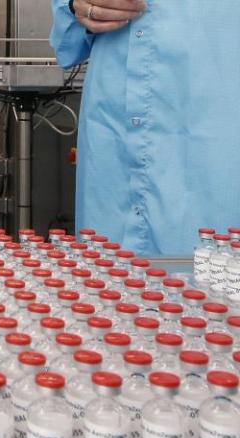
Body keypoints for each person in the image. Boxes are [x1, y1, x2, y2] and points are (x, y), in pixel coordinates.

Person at [51, 0, 240, 256]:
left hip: (212, 128)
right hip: (113, 130)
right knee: (107, 284)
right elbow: (68, 33)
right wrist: (75, 5)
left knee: (216, 274)